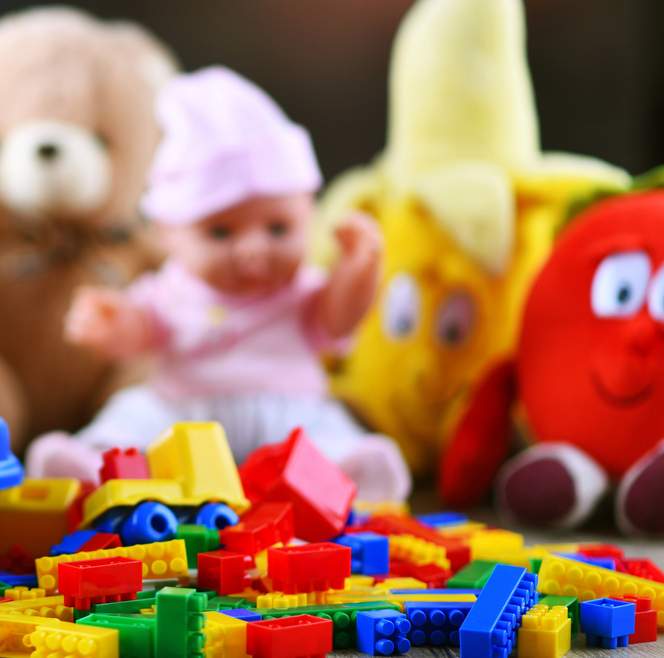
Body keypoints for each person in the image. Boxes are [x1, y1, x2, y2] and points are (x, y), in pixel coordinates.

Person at [25, 66, 411, 501]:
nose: (252, 250)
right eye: (220, 233)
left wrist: (358, 271)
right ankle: (94, 467)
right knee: (133, 414)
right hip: (185, 414)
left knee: (323, 435)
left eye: (278, 228)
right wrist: (113, 325)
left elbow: (338, 319)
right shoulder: (172, 288)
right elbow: (143, 329)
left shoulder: (300, 289)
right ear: (167, 233)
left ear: (309, 213)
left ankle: (354, 474)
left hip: (286, 412)